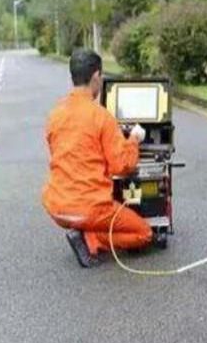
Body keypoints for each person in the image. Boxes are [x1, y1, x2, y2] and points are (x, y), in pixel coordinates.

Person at [42, 49, 152, 268]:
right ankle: (92, 237)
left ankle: (86, 232)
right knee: (144, 233)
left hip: (57, 206)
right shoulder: (101, 117)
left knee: (91, 209)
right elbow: (122, 165)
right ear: (95, 76)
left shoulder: (55, 114)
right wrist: (133, 140)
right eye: (101, 78)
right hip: (91, 208)